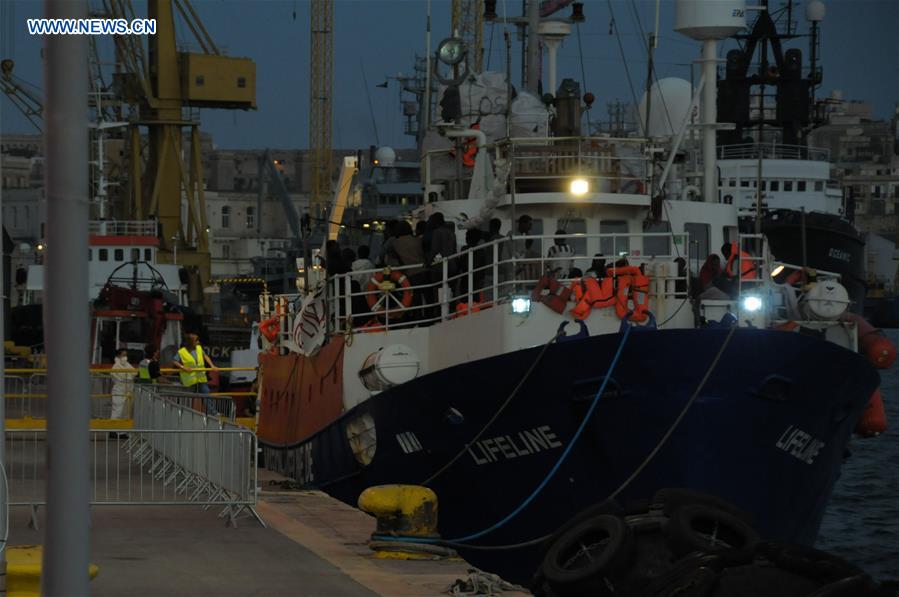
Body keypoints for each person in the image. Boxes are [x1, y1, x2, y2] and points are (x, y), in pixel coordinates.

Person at [172, 332, 221, 416]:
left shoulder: (199, 348)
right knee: (188, 398)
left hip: (200, 377)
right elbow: (174, 361)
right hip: (190, 380)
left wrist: (212, 366)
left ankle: (214, 413)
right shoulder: (182, 351)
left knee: (207, 394)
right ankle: (184, 413)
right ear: (190, 342)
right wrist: (184, 368)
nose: (198, 342)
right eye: (196, 340)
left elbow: (205, 356)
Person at [110, 348, 133, 426]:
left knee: (125, 411)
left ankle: (122, 431)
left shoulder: (127, 364)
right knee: (118, 410)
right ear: (118, 355)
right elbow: (117, 378)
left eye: (126, 355)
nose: (125, 357)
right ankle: (113, 430)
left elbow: (134, 372)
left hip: (127, 390)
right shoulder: (116, 366)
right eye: (123, 355)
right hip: (119, 390)